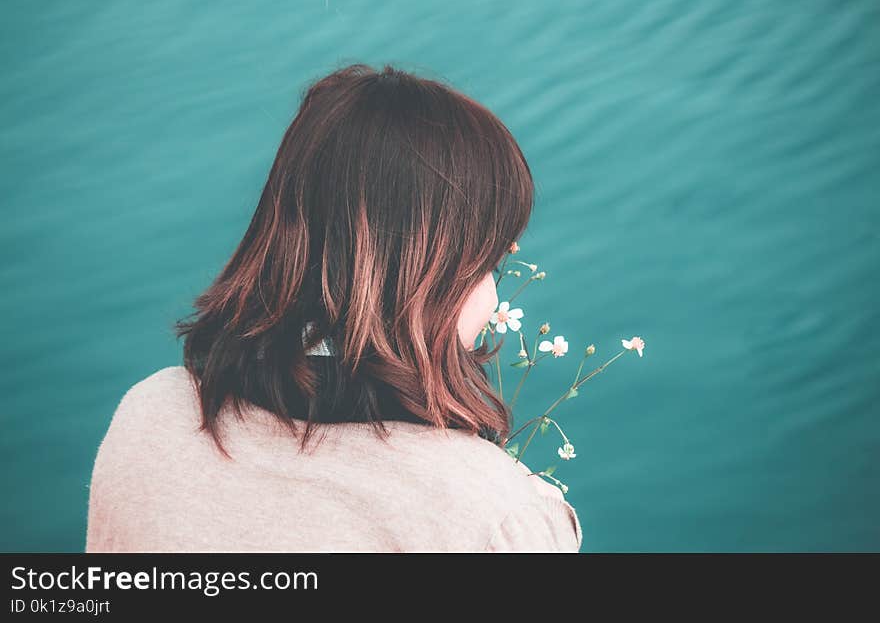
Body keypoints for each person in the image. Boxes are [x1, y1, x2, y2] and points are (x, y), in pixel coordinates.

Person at [85, 63, 583, 552]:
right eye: (486, 265)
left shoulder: (149, 420)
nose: (492, 295)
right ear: (428, 279)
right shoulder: (496, 516)